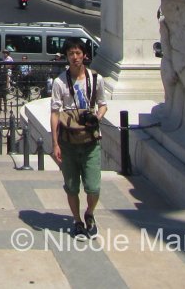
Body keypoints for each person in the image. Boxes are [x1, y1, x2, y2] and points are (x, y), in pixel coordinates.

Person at [49, 38, 107, 237]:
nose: (75, 57)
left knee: (93, 187)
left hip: (91, 141)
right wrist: (55, 143)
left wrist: (97, 117)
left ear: (84, 55)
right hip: (68, 142)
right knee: (72, 187)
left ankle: (89, 212)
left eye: (78, 53)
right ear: (66, 57)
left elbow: (103, 104)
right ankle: (77, 221)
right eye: (71, 54)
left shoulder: (96, 79)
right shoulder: (59, 82)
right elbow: (55, 113)